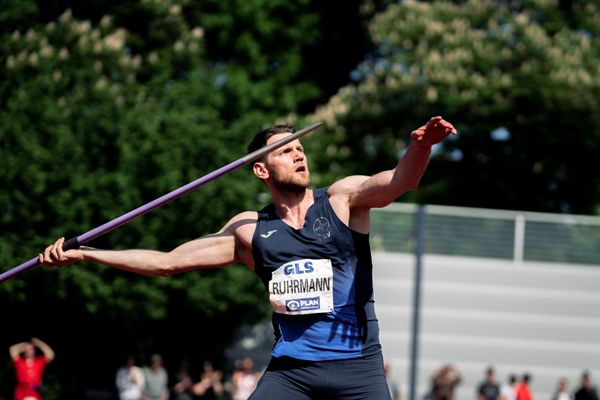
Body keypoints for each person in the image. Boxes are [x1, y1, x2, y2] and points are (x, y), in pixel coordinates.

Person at [39, 116, 457, 399]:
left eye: (300, 149)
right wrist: (89, 253)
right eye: (286, 151)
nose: (299, 155)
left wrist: (420, 147)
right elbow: (168, 262)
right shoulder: (249, 231)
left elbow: (401, 181)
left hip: (359, 368)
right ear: (261, 170)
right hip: (292, 372)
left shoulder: (343, 199)